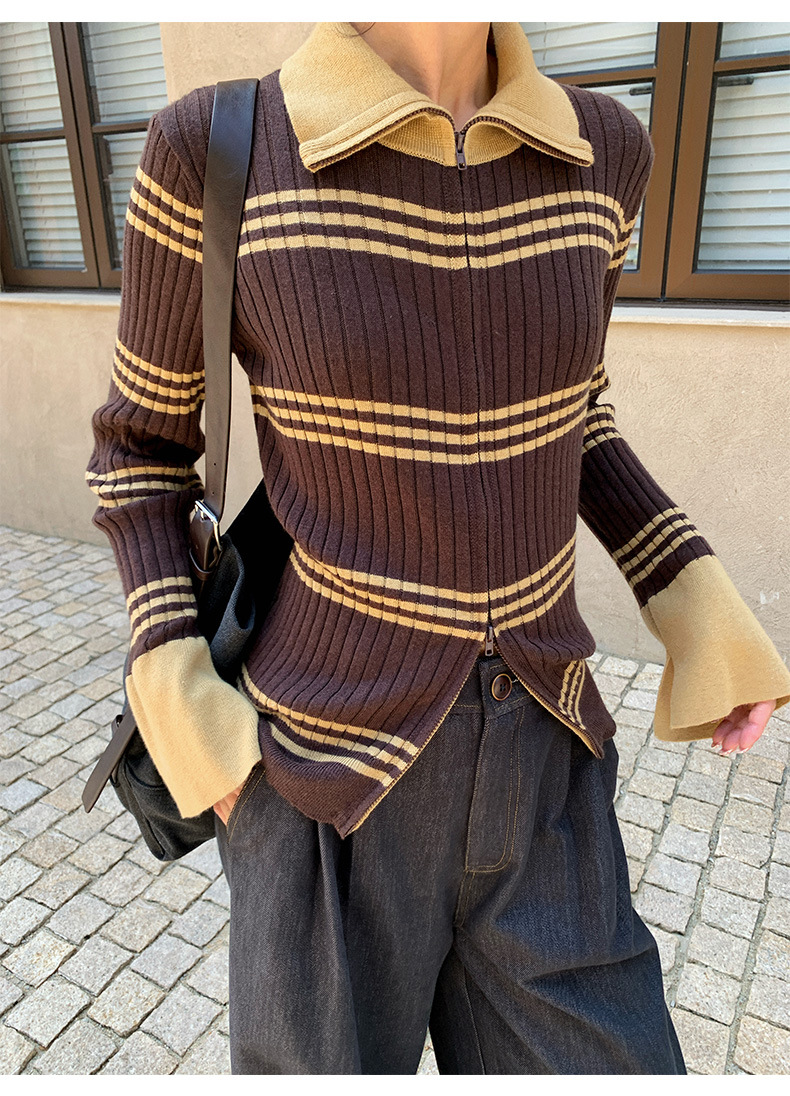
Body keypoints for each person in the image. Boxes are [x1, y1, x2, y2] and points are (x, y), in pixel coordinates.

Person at [87, 21, 790, 1075]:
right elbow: (140, 454)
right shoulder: (220, 147)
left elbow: (574, 418)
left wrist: (704, 615)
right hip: (319, 779)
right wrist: (193, 720)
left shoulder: (603, 151)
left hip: (546, 761)